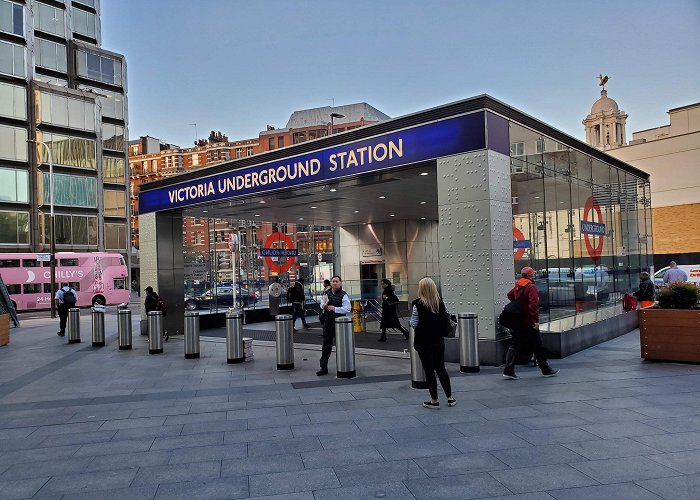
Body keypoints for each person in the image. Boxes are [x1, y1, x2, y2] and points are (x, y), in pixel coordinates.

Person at [502, 267, 559, 380]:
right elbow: (534, 305)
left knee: (515, 344)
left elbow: (509, 295)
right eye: (532, 274)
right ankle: (545, 369)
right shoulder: (531, 287)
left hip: (519, 320)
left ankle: (508, 369)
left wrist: (518, 305)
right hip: (529, 321)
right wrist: (535, 321)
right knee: (538, 345)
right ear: (529, 276)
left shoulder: (518, 285)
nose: (534, 276)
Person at [409, 277, 456, 409]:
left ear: (421, 289)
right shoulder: (440, 303)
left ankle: (434, 400)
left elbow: (414, 323)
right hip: (438, 341)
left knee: (429, 371)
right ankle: (450, 398)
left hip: (423, 342)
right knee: (441, 369)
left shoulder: (417, 304)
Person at [317, 276, 351, 376]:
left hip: (340, 323)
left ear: (340, 283)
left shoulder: (344, 295)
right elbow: (322, 302)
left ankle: (345, 366)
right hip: (328, 322)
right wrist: (323, 305)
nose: (335, 283)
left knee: (342, 345)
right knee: (326, 344)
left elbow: (347, 308)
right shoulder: (327, 293)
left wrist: (335, 309)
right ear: (331, 283)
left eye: (337, 281)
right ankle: (323, 367)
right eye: (333, 281)